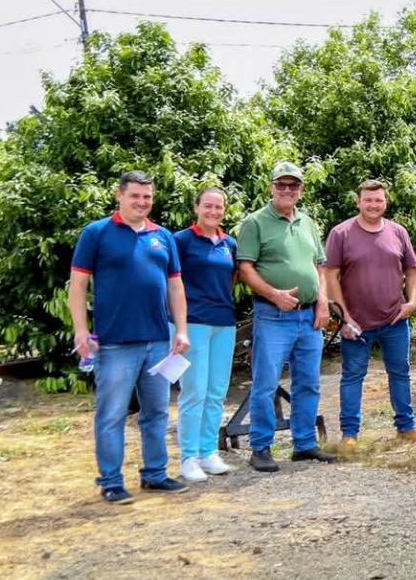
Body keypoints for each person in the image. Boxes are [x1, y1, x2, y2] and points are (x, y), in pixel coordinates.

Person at [69, 171, 191, 504]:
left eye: (147, 196)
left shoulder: (163, 237)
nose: (142, 202)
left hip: (158, 341)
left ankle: (155, 474)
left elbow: (176, 286)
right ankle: (111, 481)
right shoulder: (97, 233)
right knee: (112, 415)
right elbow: (78, 285)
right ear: (119, 195)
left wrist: (181, 329)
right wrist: (81, 329)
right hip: (114, 343)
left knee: (157, 413)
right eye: (135, 195)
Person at [236, 161, 334, 471]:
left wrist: (323, 303)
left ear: (301, 190)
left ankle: (304, 444)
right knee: (265, 384)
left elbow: (319, 267)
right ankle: (261, 447)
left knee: (309, 383)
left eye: (293, 185)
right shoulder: (255, 222)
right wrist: (274, 294)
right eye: (281, 184)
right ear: (272, 187)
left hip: (309, 317)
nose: (287, 190)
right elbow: (245, 268)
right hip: (274, 316)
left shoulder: (307, 222)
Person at [324, 180, 416, 449]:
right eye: (368, 200)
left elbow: (412, 270)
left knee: (400, 373)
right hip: (356, 323)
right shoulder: (341, 233)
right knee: (353, 376)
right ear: (358, 202)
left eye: (378, 200)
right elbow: (330, 275)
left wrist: (412, 301)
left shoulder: (398, 232)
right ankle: (350, 434)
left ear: (385, 202)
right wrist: (344, 317)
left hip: (395, 320)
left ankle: (406, 428)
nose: (373, 205)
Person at [172, 187, 236, 482]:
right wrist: (178, 327)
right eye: (207, 206)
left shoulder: (229, 243)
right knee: (194, 391)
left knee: (216, 391)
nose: (213, 211)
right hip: (193, 323)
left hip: (224, 323)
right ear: (196, 207)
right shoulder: (181, 240)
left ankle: (208, 452)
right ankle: (189, 457)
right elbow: (171, 283)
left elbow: (230, 280)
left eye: (218, 207)